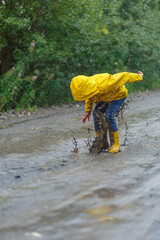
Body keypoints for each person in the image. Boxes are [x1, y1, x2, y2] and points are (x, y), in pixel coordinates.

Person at [70, 71, 144, 153]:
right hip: (104, 98)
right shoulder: (88, 89)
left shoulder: (107, 83)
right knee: (96, 114)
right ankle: (102, 142)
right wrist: (88, 110)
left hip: (118, 96)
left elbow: (125, 76)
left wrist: (139, 76)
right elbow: (89, 96)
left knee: (108, 116)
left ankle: (115, 144)